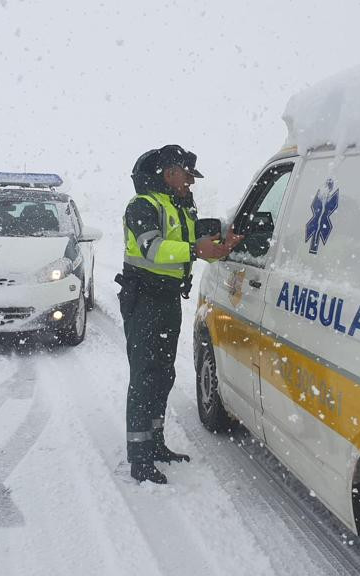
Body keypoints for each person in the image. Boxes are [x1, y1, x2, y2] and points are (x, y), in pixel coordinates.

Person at [116, 144, 243, 484]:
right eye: (187, 175)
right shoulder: (142, 205)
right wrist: (194, 248)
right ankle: (139, 459)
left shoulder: (180, 206)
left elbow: (192, 252)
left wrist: (219, 250)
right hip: (143, 302)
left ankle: (156, 443)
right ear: (169, 173)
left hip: (168, 301)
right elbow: (153, 248)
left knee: (163, 375)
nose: (191, 182)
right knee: (144, 379)